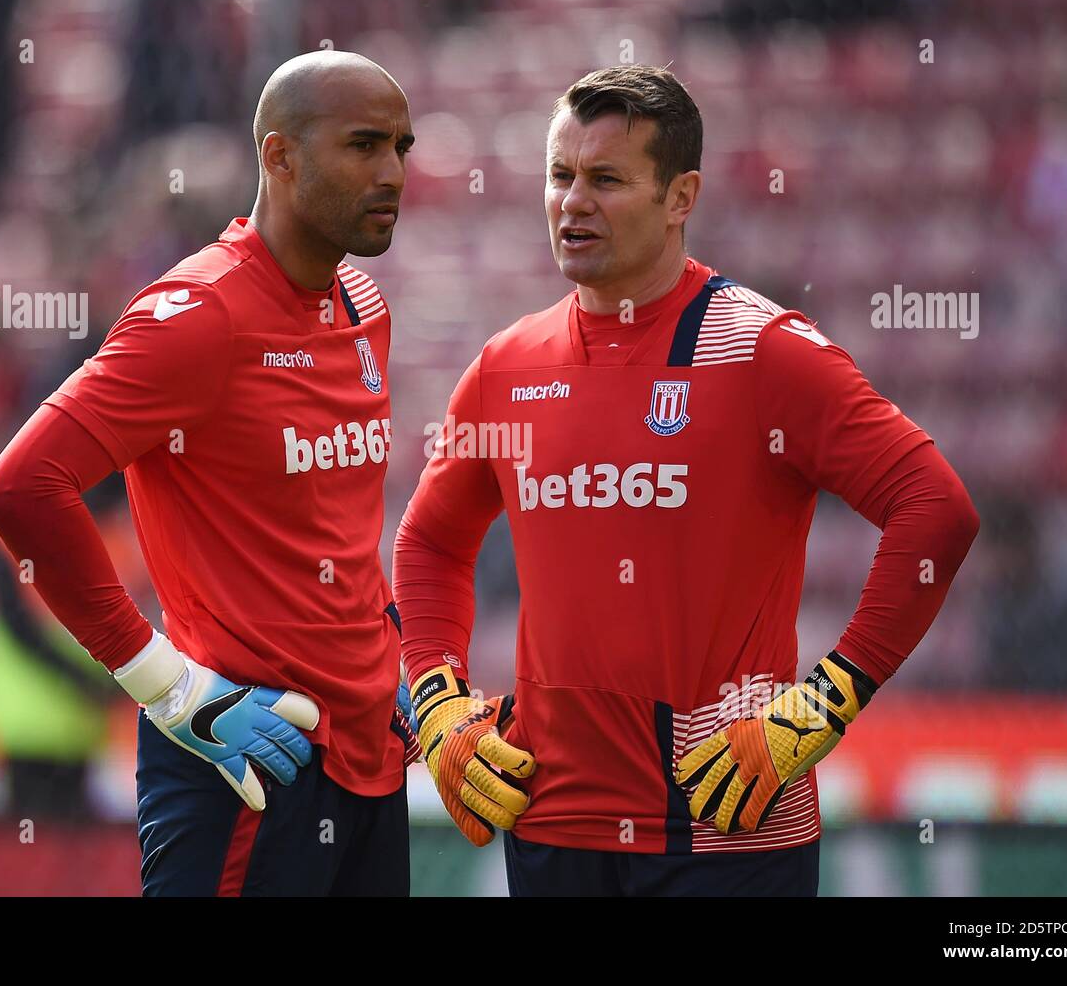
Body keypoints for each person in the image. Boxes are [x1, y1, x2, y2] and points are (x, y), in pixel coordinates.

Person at [393, 65, 979, 897]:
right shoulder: (507, 365)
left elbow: (936, 510)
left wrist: (823, 705)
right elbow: (429, 542)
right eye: (560, 176)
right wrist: (439, 703)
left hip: (727, 821)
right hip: (550, 819)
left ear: (681, 196)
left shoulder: (761, 350)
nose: (572, 202)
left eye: (606, 179)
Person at [0, 51, 419, 896]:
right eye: (364, 145)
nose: (392, 171)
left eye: (401, 146)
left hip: (371, 755)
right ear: (280, 156)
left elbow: (334, 526)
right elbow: (22, 488)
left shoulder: (365, 305)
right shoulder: (197, 316)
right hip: (245, 758)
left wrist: (388, 653)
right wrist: (165, 685)